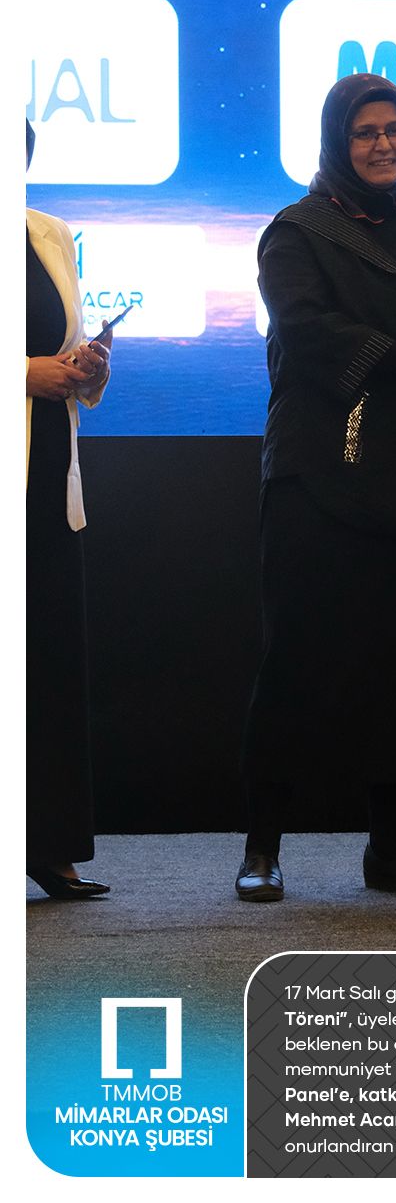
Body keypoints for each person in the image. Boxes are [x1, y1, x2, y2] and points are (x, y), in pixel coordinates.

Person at [235, 74, 396, 902]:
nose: (384, 145)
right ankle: (262, 848)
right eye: (365, 132)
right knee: (298, 661)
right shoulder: (296, 232)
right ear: (338, 143)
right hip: (320, 477)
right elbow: (308, 332)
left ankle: (391, 850)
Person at [25, 119, 112, 900]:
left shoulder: (47, 232)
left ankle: (48, 847)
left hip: (49, 481)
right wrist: (23, 372)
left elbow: (66, 351)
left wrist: (88, 370)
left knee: (46, 663)